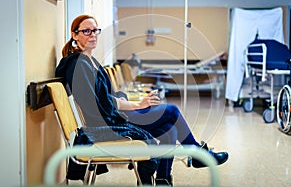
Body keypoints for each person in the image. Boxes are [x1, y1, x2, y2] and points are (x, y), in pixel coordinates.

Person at [55, 14, 229, 186]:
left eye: (95, 30)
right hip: (106, 125)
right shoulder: (77, 64)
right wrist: (135, 106)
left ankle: (162, 180)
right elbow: (94, 103)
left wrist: (136, 105)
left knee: (169, 130)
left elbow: (107, 98)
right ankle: (198, 154)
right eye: (86, 31)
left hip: (112, 116)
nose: (92, 35)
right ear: (75, 34)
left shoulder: (90, 61)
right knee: (172, 111)